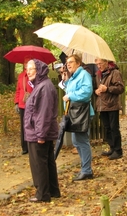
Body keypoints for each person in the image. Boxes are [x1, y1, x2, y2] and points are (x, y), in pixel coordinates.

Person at [24, 59, 61, 202]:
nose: (28, 71)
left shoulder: (44, 87)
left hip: (38, 133)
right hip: (40, 131)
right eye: (27, 69)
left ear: (39, 70)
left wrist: (40, 135)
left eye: (31, 69)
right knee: (48, 161)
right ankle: (52, 190)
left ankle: (43, 194)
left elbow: (43, 114)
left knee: (39, 163)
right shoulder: (41, 86)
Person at [62, 54, 95, 181]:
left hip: (82, 114)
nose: (68, 64)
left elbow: (87, 92)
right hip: (75, 114)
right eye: (67, 62)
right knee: (77, 142)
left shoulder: (84, 75)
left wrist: (70, 95)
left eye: (71, 62)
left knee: (82, 142)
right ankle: (85, 168)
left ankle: (87, 170)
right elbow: (71, 89)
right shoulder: (74, 76)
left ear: (78, 63)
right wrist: (66, 81)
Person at [94, 58, 125, 160]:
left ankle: (118, 150)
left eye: (100, 63)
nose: (99, 66)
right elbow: (98, 88)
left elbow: (121, 88)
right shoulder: (98, 74)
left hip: (112, 105)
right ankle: (112, 148)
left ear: (106, 63)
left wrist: (107, 89)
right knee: (107, 128)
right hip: (102, 106)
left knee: (114, 128)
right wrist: (97, 91)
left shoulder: (115, 73)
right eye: (97, 64)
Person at [14, 57, 32, 155]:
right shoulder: (21, 76)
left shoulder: (34, 75)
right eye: (25, 63)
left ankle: (31, 145)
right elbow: (18, 90)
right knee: (23, 126)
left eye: (28, 62)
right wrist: (16, 102)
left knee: (31, 125)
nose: (26, 64)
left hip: (32, 104)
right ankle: (24, 147)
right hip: (22, 104)